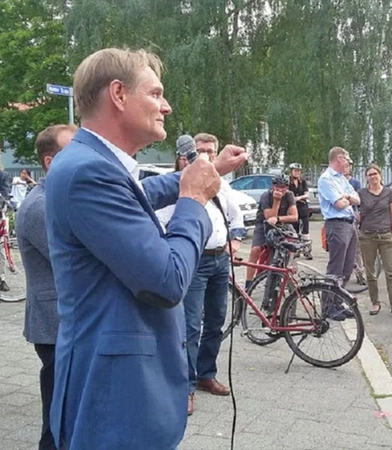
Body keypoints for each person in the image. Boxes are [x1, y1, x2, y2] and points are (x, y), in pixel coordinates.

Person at [44, 48, 247, 450]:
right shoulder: (89, 171)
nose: (166, 106)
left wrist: (208, 172)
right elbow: (166, 281)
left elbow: (139, 193)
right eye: (155, 94)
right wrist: (192, 201)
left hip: (120, 392)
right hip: (115, 403)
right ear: (118, 95)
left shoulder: (95, 162)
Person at [156, 133, 245, 415]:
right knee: (190, 326)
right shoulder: (180, 185)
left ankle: (207, 373)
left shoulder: (221, 184)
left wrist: (234, 241)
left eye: (210, 150)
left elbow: (236, 216)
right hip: (194, 263)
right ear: (186, 155)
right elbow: (160, 224)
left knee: (217, 320)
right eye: (200, 150)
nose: (205, 155)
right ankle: (186, 387)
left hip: (220, 260)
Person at [17, 124, 76, 450]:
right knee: (58, 410)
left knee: (67, 405)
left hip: (65, 320)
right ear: (51, 162)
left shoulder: (57, 199)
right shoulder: (40, 207)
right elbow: (72, 260)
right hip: (53, 324)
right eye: (74, 150)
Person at [358, 164, 392, 318]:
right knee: (370, 272)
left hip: (385, 235)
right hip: (367, 236)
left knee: (391, 272)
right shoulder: (361, 193)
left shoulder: (389, 193)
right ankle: (375, 302)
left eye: (375, 173)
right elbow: (356, 211)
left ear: (380, 175)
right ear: (366, 177)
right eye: (370, 174)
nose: (373, 177)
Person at [318, 147, 360, 289]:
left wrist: (347, 196)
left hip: (350, 224)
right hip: (337, 225)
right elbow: (339, 204)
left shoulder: (342, 179)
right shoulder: (326, 179)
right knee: (336, 269)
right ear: (339, 159)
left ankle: (339, 301)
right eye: (347, 160)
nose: (348, 163)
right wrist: (348, 198)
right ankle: (329, 306)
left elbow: (358, 199)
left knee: (347, 268)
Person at [245, 175, 298, 287]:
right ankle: (248, 283)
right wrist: (276, 201)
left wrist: (279, 219)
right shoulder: (266, 196)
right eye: (277, 186)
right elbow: (269, 218)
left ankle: (288, 275)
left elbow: (294, 216)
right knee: (255, 250)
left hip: (281, 224)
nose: (280, 189)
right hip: (263, 223)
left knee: (291, 245)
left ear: (287, 187)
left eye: (283, 187)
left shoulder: (289, 195)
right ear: (273, 186)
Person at [288, 162, 312, 259]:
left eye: (298, 171)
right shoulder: (288, 182)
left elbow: (307, 195)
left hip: (303, 207)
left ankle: (307, 251)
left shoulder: (303, 182)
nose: (297, 173)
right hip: (293, 208)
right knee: (295, 229)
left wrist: (298, 198)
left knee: (305, 230)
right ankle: (296, 250)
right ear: (291, 172)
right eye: (295, 171)